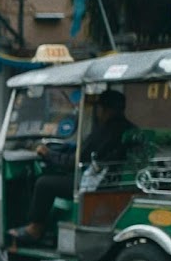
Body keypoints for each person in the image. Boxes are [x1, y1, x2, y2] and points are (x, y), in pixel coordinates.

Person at [11, 88, 141, 247]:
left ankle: (35, 228)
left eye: (98, 108)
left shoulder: (104, 132)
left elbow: (72, 163)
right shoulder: (129, 129)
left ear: (104, 109)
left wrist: (48, 154)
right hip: (114, 180)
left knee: (44, 184)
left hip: (95, 183)